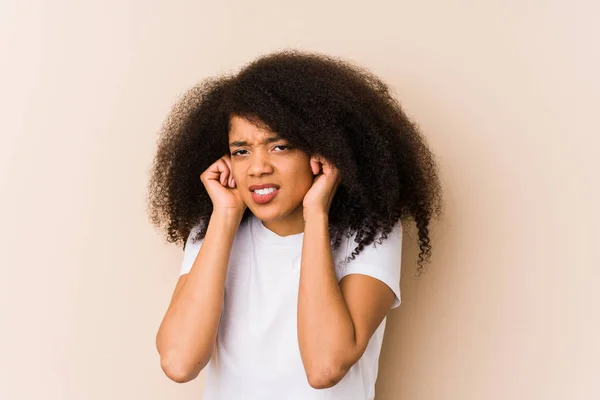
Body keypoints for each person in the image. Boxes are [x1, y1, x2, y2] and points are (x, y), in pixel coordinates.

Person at [148, 50, 442, 399]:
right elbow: (179, 362)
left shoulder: (369, 234)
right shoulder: (212, 230)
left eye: (280, 146)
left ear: (323, 151)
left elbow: (325, 367)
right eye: (241, 151)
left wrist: (316, 213)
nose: (257, 167)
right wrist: (225, 217)